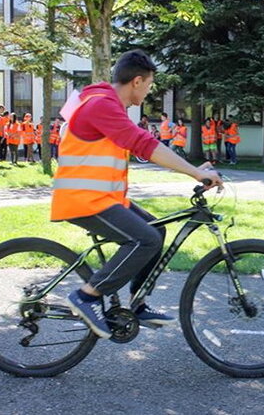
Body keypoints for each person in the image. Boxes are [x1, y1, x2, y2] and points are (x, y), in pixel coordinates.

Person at [53, 49, 222, 339]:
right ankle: (87, 295)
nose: (149, 91)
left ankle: (138, 303)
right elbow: (145, 145)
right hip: (84, 200)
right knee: (145, 240)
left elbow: (142, 145)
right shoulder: (101, 106)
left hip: (103, 198)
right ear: (137, 81)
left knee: (157, 233)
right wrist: (195, 172)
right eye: (150, 85)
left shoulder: (108, 106)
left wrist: (193, 168)